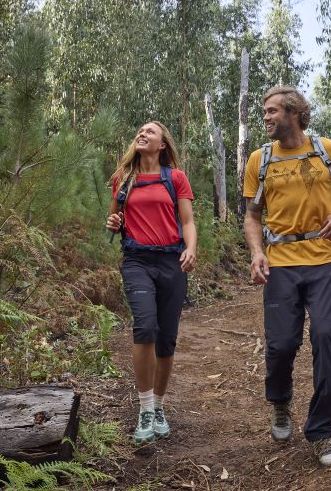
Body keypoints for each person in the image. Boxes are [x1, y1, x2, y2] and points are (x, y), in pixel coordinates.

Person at [243, 86, 331, 470]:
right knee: (282, 345)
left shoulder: (328, 151)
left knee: (325, 336)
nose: (265, 118)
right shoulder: (259, 160)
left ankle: (320, 431)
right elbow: (252, 215)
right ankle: (280, 401)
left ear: (295, 112)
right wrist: (256, 253)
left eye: (271, 111)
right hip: (281, 261)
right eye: (263, 112)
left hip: (324, 260)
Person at [106, 121, 197, 444]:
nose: (142, 134)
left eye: (150, 132)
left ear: (162, 145)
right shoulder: (123, 180)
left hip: (172, 262)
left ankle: (159, 406)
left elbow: (187, 220)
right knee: (145, 327)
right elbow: (114, 221)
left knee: (166, 339)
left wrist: (191, 249)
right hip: (137, 262)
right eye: (139, 131)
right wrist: (114, 221)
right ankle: (145, 409)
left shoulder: (175, 178)